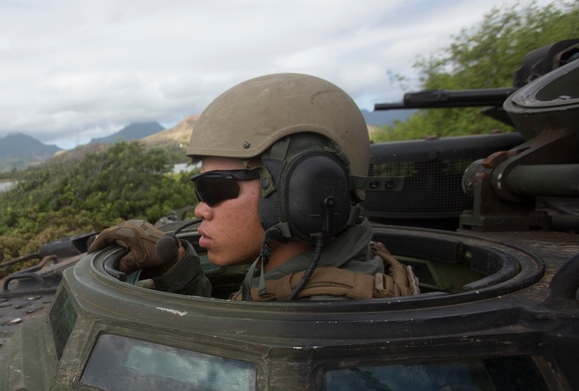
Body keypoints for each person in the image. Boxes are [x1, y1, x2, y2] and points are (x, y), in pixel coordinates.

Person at [89, 72, 419, 301]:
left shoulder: (319, 326)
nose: (200, 209)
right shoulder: (290, 273)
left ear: (304, 192)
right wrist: (172, 264)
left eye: (213, 189)